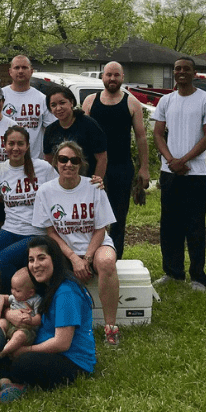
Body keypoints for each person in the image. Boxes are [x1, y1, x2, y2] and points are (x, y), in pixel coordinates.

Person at [32, 141, 120, 347]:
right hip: (64, 248)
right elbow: (50, 232)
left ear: (81, 163)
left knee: (107, 262)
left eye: (74, 160)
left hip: (96, 244)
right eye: (63, 159)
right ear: (55, 163)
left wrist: (87, 258)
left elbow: (101, 228)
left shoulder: (94, 187)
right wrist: (73, 258)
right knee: (42, 268)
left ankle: (111, 327)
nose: (68, 164)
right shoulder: (45, 191)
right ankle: (52, 325)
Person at [151, 56, 206, 291]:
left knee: (194, 225)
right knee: (169, 225)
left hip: (195, 173)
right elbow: (158, 134)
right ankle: (173, 272)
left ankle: (198, 277)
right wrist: (171, 160)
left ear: (195, 73)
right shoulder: (166, 101)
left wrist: (185, 159)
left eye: (186, 69)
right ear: (174, 72)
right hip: (169, 172)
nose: (181, 72)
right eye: (177, 69)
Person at [0, 235, 96, 402]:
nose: (35, 265)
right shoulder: (47, 285)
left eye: (41, 258)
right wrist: (9, 314)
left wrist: (25, 351)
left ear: (55, 259)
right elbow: (15, 304)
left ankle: (16, 384)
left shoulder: (66, 292)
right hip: (46, 348)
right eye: (31, 260)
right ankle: (6, 381)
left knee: (22, 362)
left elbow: (62, 343)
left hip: (73, 361)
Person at [82, 61, 151, 259]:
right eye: (108, 75)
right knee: (90, 216)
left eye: (116, 75)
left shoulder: (131, 103)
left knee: (118, 218)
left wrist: (144, 168)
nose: (112, 78)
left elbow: (141, 137)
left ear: (122, 78)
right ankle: (89, 257)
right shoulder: (90, 101)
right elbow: (83, 134)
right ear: (102, 77)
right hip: (93, 169)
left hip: (121, 168)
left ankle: (115, 259)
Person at [0, 126, 57, 292]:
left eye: (20, 143)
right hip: (10, 229)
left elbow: (63, 189)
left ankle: (13, 301)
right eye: (11, 143)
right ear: (4, 145)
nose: (15, 148)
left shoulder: (43, 168)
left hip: (37, 232)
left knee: (3, 259)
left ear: (27, 145)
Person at [43, 85, 107, 180]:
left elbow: (102, 158)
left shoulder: (89, 125)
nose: (58, 108)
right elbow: (49, 162)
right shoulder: (50, 131)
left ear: (71, 102)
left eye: (62, 103)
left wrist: (96, 182)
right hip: (62, 184)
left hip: (88, 182)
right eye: (53, 105)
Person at [2, 55, 55, 160]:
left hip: (34, 162)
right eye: (17, 68)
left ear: (31, 71)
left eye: (24, 67)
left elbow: (53, 130)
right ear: (10, 71)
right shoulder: (0, 97)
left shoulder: (42, 99)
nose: (20, 71)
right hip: (4, 162)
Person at [0, 267, 42, 359]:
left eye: (17, 290)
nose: (13, 292)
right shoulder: (13, 297)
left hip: (26, 330)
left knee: (19, 336)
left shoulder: (36, 300)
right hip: (11, 324)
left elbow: (39, 318)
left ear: (30, 293)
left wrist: (31, 320)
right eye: (12, 288)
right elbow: (3, 299)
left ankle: (2, 352)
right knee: (0, 322)